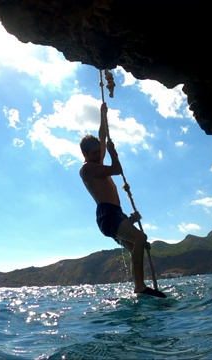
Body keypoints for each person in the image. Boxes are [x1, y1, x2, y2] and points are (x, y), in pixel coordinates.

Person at [79, 102, 166, 298]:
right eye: (94, 154)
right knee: (140, 239)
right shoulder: (88, 169)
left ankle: (140, 288)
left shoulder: (97, 164)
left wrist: (102, 116)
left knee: (138, 245)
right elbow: (118, 169)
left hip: (115, 214)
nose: (98, 156)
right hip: (107, 215)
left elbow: (101, 137)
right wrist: (113, 153)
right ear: (84, 154)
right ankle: (139, 286)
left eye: (99, 153)